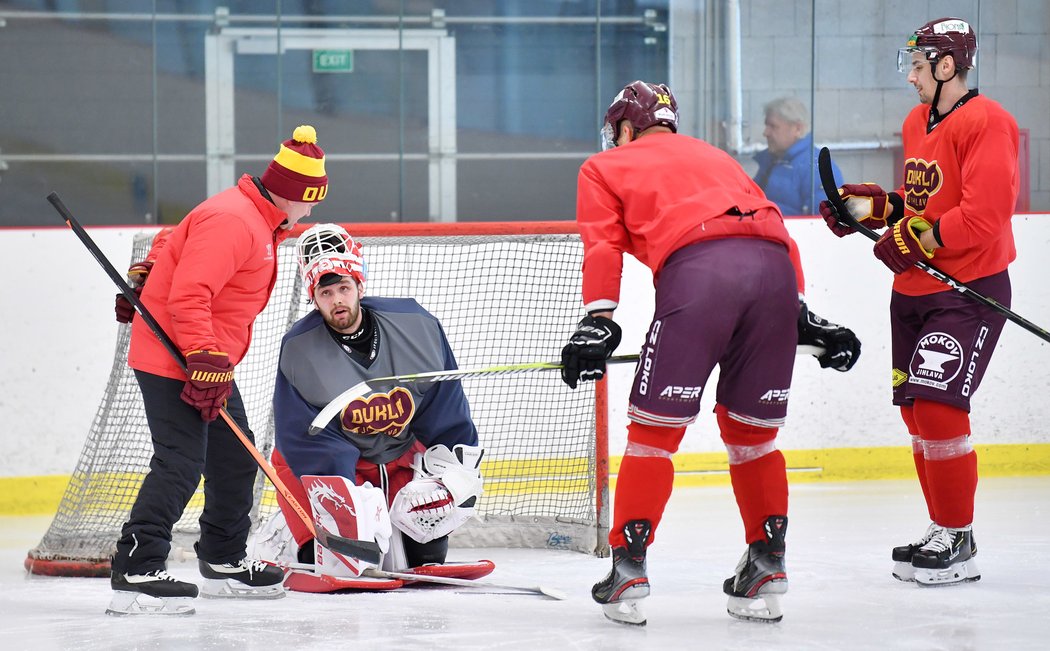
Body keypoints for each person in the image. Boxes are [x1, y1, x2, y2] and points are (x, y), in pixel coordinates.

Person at [561, 80, 861, 626]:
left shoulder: (605, 166)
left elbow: (602, 243)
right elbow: (774, 228)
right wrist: (796, 309)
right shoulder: (715, 156)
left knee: (654, 433)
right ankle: (767, 563)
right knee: (753, 436)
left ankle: (628, 569)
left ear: (627, 128)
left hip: (700, 276)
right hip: (774, 274)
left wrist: (598, 320)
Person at [819, 17, 1018, 587]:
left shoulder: (988, 122)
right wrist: (877, 210)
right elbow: (924, 200)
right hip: (912, 290)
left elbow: (983, 215)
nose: (910, 77)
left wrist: (917, 238)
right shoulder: (917, 121)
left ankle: (959, 538)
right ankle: (944, 527)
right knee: (915, 413)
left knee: (937, 405)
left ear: (947, 65)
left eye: (917, 65)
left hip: (968, 288)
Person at [107, 125, 330, 616]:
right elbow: (191, 294)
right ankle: (137, 569)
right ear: (295, 193)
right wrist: (204, 357)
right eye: (311, 201)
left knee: (234, 457)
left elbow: (177, 237)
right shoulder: (238, 221)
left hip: (206, 361)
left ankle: (224, 560)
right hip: (178, 358)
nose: (312, 211)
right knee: (181, 461)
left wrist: (147, 270)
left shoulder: (253, 215)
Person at [258, 223, 486, 589]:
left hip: (398, 459)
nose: (337, 301)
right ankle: (293, 539)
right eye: (326, 292)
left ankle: (393, 537)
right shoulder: (300, 348)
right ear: (313, 298)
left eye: (344, 288)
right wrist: (346, 503)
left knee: (424, 554)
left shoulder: (417, 326)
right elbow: (300, 435)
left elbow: (445, 405)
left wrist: (451, 473)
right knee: (344, 558)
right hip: (335, 465)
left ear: (360, 287)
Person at [753, 96, 843, 216]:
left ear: (797, 128)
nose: (766, 133)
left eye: (773, 126)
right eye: (766, 126)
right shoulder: (772, 160)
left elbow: (821, 222)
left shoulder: (817, 168)